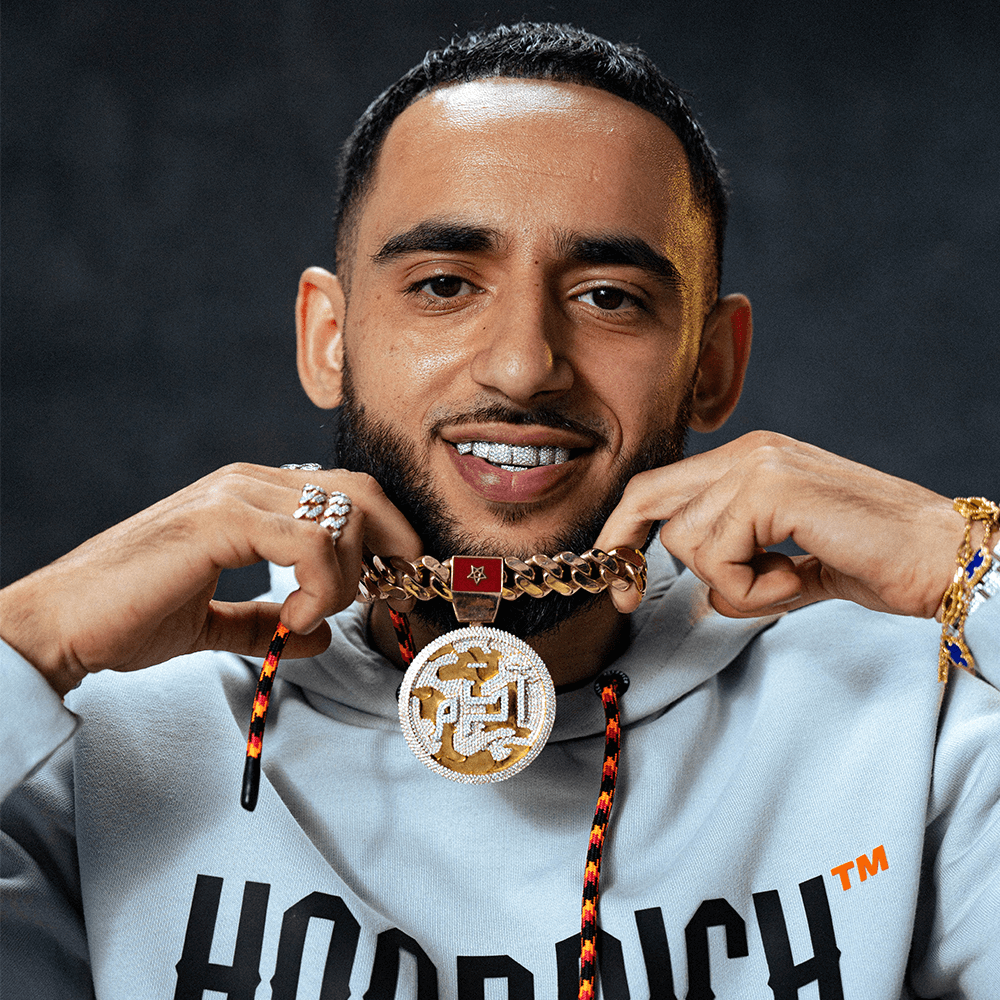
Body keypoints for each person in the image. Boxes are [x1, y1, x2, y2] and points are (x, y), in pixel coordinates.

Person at [2, 21, 997, 1000]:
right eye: (443, 284)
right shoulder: (99, 730)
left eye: (608, 297)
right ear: (327, 339)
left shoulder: (907, 716)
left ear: (711, 367)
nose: (524, 365)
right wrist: (24, 639)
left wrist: (962, 557)